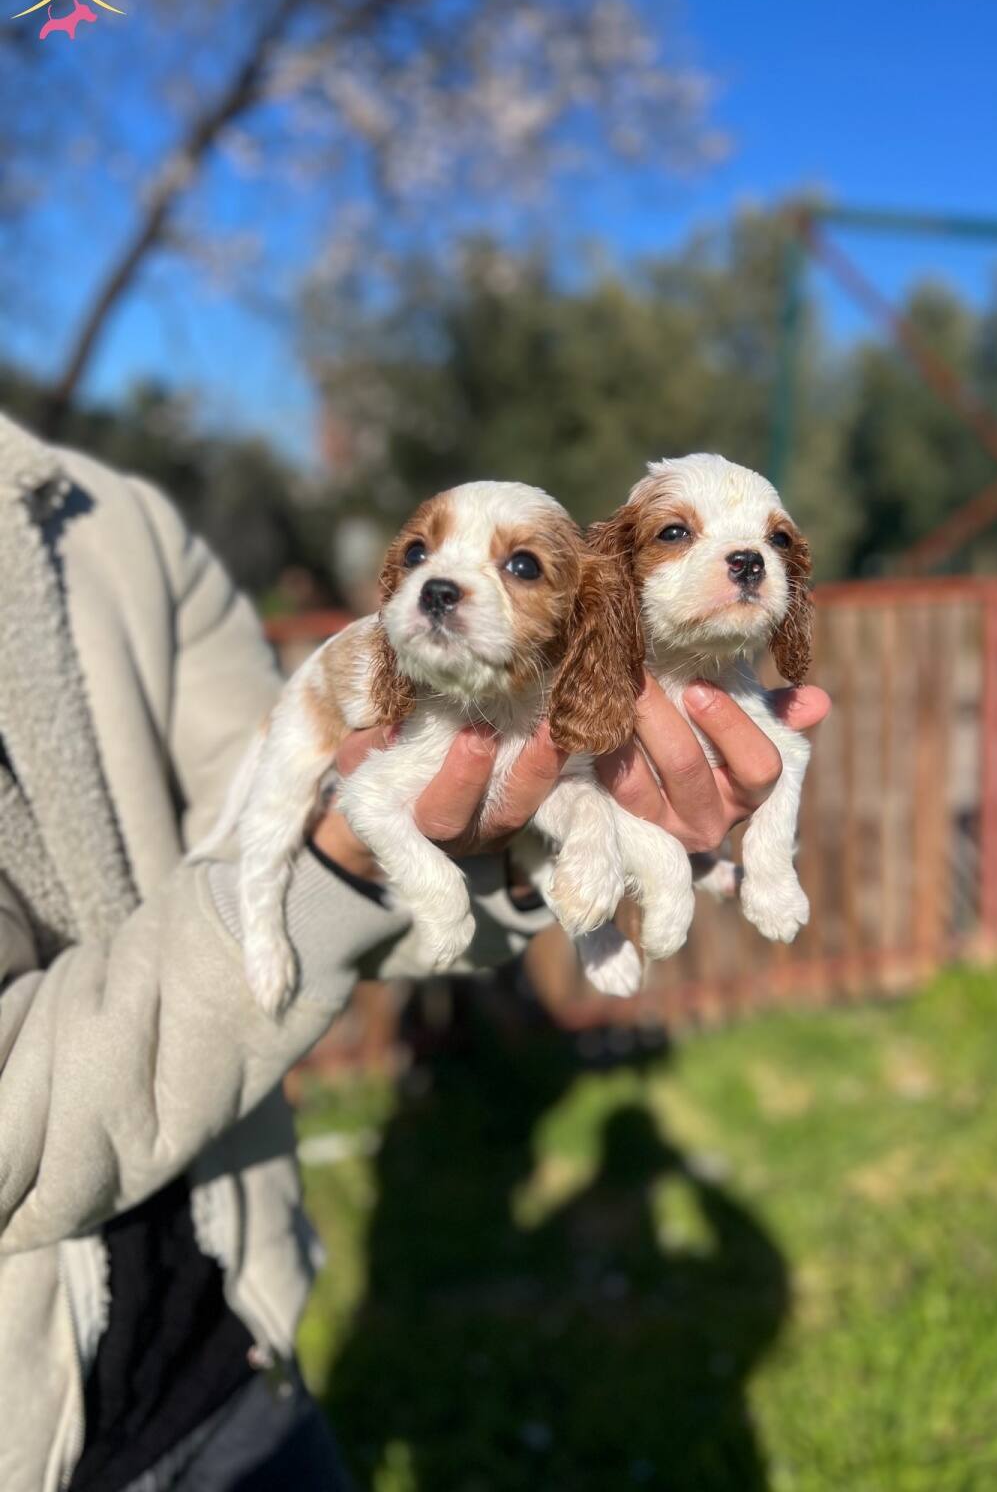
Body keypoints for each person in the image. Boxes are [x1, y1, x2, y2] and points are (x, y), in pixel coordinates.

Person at [0, 412, 830, 1492]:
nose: (448, 581)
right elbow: (309, 811)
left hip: (243, 1333)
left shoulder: (119, 519)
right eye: (423, 557)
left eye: (519, 566)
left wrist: (524, 871)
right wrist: (336, 874)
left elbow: (302, 801)